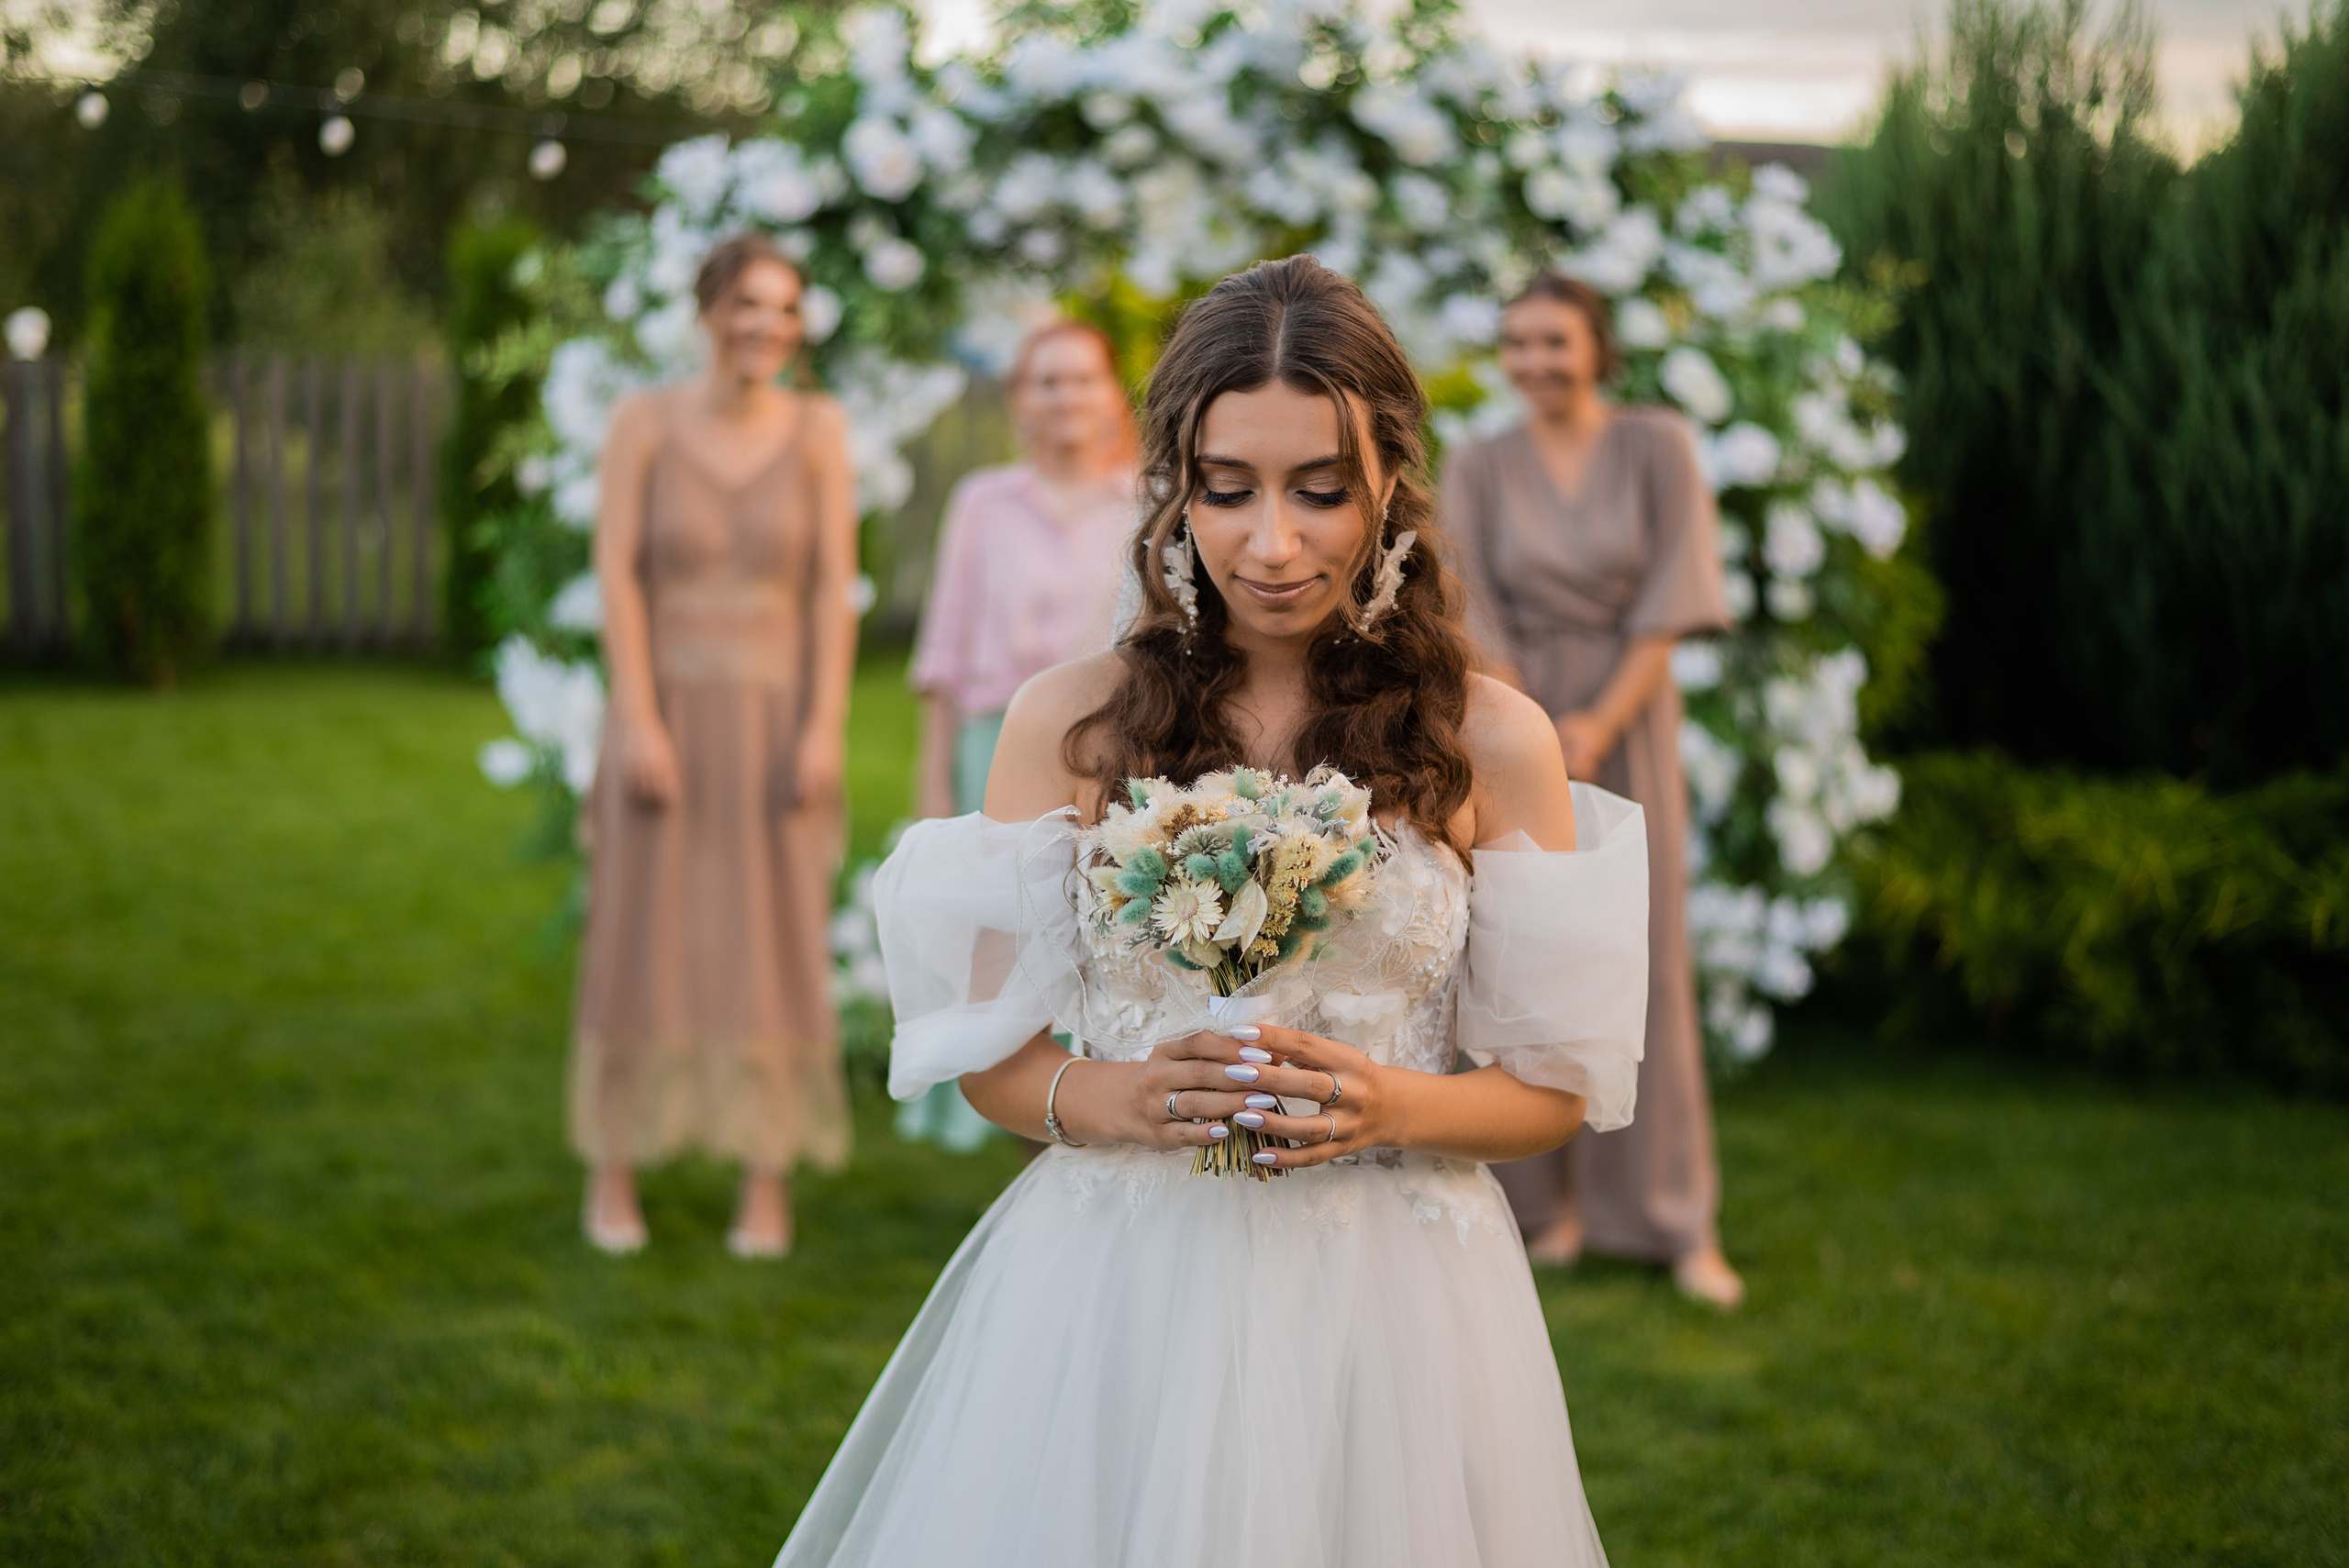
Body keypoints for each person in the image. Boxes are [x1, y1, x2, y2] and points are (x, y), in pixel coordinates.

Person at [773, 256, 1651, 1567]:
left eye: (1321, 490)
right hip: (1122, 1283)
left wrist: (1390, 1106)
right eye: (1228, 489)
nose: (1271, 544)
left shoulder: (1492, 737)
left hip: (1396, 1295)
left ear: (1390, 484)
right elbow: (993, 1061)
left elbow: (1553, 1090)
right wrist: (1114, 1097)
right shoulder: (1069, 723)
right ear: (1174, 488)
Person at [1442, 271, 1743, 1308]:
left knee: (1644, 961)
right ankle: (1544, 1206)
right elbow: (1470, 604)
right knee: (1521, 951)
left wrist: (1599, 725)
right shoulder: (1479, 462)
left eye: (1554, 341)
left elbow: (1671, 594)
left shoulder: (1656, 445)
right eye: (1517, 342)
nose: (1535, 361)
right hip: (1512, 722)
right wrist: (1532, 732)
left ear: (1597, 347)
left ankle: (1672, 1218)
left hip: (1631, 714)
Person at [570, 234, 861, 1259]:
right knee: (638, 936)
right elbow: (616, 574)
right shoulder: (642, 422)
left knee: (771, 944)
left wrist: (823, 728)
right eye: (746, 304)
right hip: (664, 715)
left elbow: (831, 589)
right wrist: (637, 717)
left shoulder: (818, 429)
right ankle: (613, 1164)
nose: (765, 326)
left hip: (775, 722)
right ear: (706, 313)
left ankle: (764, 1173)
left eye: (784, 309)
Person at [896, 319, 1138, 1151]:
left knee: (1098, 935)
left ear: (1110, 395)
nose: (1066, 396)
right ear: (1020, 400)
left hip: (1111, 748)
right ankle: (1002, 1096)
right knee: (1002, 939)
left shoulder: (1145, 500)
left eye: (1082, 378)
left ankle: (1093, 1098)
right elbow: (944, 646)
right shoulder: (982, 503)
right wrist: (933, 779)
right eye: (1047, 380)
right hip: (995, 746)